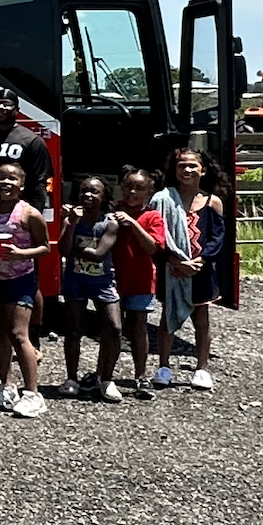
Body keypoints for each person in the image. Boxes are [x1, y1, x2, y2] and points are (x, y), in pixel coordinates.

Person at [0, 163, 51, 418]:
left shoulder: (29, 214)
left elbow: (45, 247)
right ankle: (6, 385)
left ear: (21, 184)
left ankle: (33, 393)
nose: (6, 183)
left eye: (12, 179)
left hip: (21, 279)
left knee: (19, 333)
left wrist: (20, 254)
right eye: (1, 178)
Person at [150, 148, 221, 391]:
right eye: (182, 166)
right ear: (175, 170)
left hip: (201, 271)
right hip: (172, 269)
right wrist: (176, 261)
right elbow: (157, 234)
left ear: (203, 170)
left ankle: (202, 368)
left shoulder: (212, 202)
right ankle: (163, 366)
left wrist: (199, 262)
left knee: (201, 320)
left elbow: (217, 238)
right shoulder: (164, 200)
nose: (187, 170)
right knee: (168, 317)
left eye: (193, 166)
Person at [59, 175, 124, 402]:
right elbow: (62, 250)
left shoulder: (110, 223)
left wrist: (77, 249)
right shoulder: (72, 220)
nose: (87, 195)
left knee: (114, 328)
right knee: (73, 329)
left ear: (104, 196)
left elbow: (98, 255)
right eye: (83, 191)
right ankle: (71, 378)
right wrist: (71, 225)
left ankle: (105, 378)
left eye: (94, 192)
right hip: (76, 281)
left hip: (103, 282)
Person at [109, 167, 169, 398]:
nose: (132, 192)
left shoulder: (152, 216)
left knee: (138, 326)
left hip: (140, 277)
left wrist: (134, 224)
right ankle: (105, 374)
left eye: (139, 188)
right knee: (112, 328)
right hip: (112, 277)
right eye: (128, 187)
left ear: (149, 192)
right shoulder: (113, 209)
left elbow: (153, 247)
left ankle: (140, 374)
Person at [0, 89, 53, 207]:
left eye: (7, 104)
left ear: (17, 110)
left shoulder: (32, 141)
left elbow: (39, 183)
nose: (1, 107)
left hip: (16, 209)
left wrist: (33, 215)